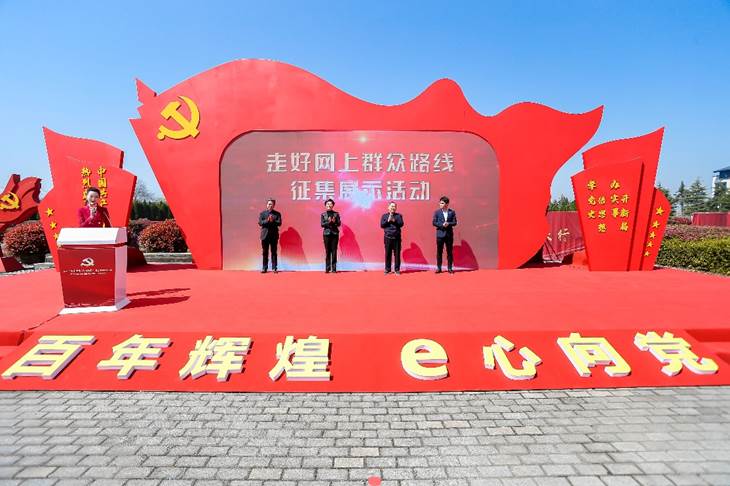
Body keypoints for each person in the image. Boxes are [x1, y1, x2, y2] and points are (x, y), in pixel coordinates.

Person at [432, 196, 457, 273]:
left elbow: (455, 222)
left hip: (449, 235)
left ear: (447, 204)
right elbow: (434, 222)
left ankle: (449, 268)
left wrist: (448, 223)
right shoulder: (437, 212)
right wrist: (442, 225)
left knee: (449, 252)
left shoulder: (452, 212)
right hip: (440, 235)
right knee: (439, 252)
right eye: (440, 203)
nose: (440, 204)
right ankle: (439, 268)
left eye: (442, 203)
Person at [258, 198, 282, 273]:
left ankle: (274, 268)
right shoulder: (262, 213)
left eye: (271, 204)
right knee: (265, 252)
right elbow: (260, 223)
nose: (270, 205)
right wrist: (267, 220)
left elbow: (279, 223)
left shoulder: (277, 214)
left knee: (274, 252)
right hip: (265, 235)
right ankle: (264, 268)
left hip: (274, 236)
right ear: (266, 205)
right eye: (269, 204)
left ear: (274, 205)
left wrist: (272, 221)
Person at [380, 201, 404, 274]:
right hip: (388, 237)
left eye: (394, 206)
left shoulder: (398, 216)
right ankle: (387, 269)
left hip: (396, 238)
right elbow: (382, 225)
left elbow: (401, 224)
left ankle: (397, 270)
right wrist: (388, 221)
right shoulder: (384, 216)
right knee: (388, 254)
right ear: (388, 207)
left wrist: (394, 221)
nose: (393, 208)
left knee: (397, 254)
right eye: (392, 206)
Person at [320, 198, 341, 273]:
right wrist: (328, 222)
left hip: (335, 234)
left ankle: (334, 269)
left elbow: (339, 224)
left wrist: (334, 222)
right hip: (326, 234)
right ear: (325, 205)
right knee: (327, 251)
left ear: (333, 205)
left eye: (330, 204)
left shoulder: (336, 214)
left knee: (334, 251)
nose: (329, 205)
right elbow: (322, 224)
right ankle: (327, 268)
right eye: (327, 204)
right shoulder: (323, 214)